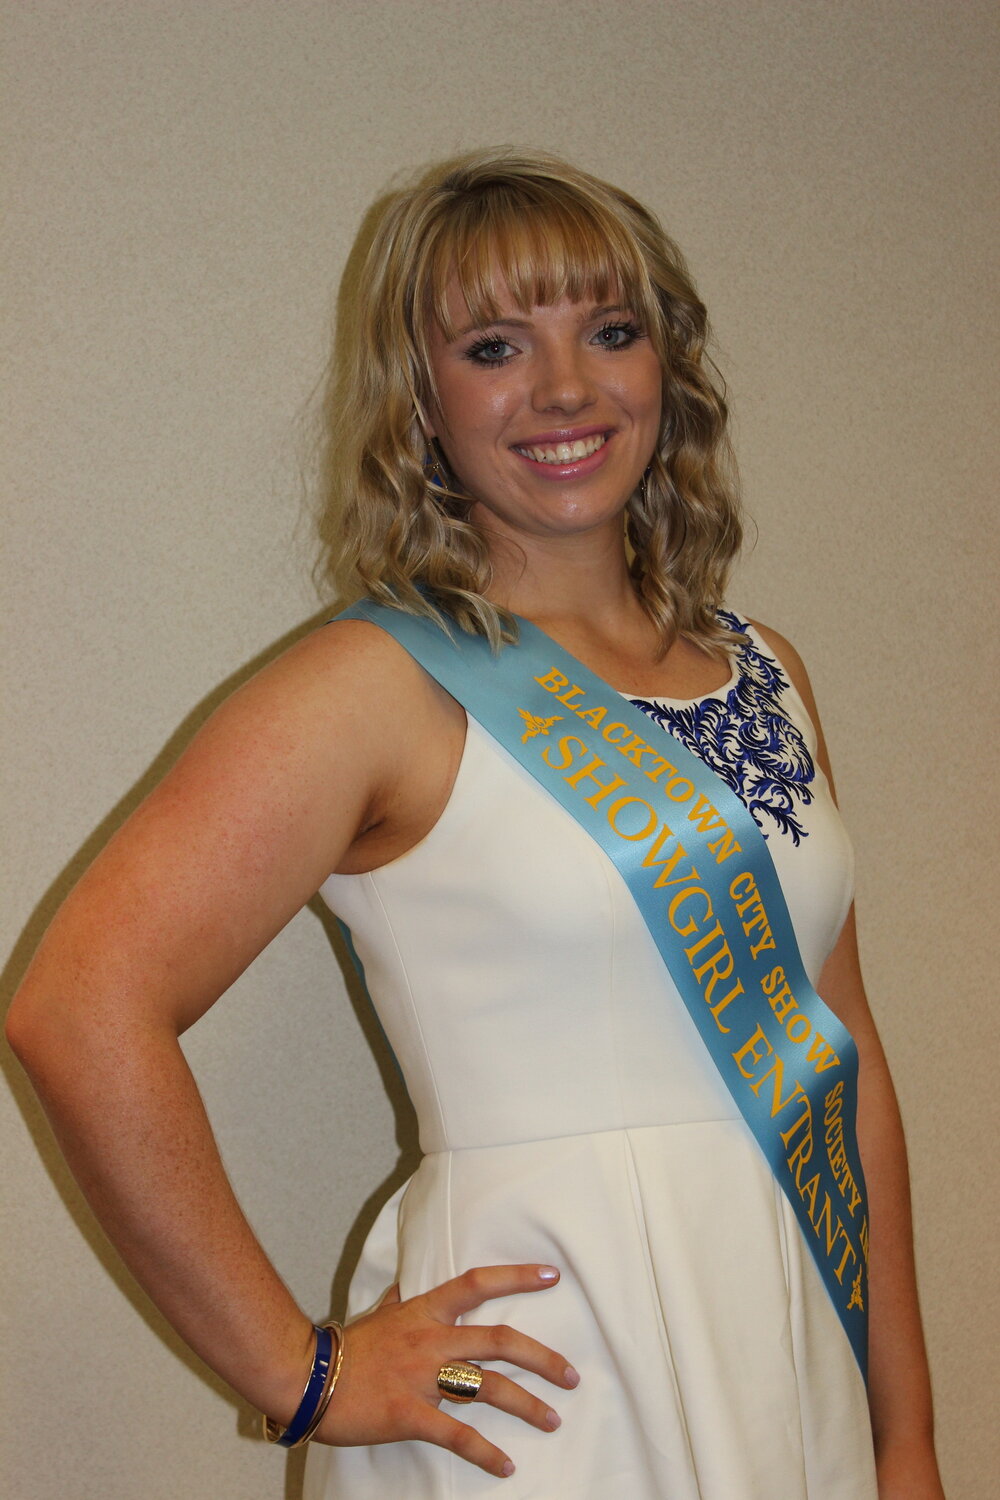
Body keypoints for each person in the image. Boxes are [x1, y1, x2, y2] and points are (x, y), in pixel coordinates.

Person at [6, 150, 944, 1500]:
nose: (565, 388)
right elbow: (77, 1008)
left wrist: (904, 1439)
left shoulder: (768, 669)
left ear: (667, 367)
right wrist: (304, 1374)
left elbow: (843, 1068)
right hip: (541, 1384)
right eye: (496, 347)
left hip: (790, 1344)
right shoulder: (375, 686)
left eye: (609, 332)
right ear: (422, 398)